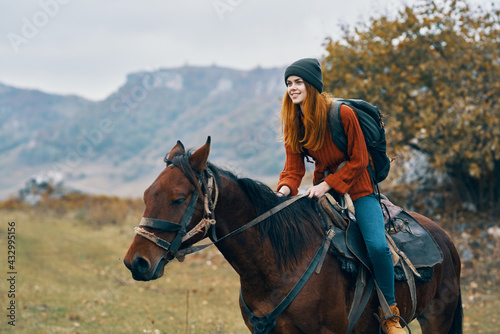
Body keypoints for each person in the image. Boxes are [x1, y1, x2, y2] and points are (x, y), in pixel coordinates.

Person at [276, 58, 405, 334]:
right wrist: (283, 190)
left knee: (378, 246)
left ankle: (390, 313)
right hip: (321, 189)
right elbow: (293, 168)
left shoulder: (342, 114)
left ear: (312, 85)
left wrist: (328, 185)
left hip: (359, 187)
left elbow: (359, 160)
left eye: (298, 82)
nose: (293, 88)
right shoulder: (293, 122)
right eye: (289, 83)